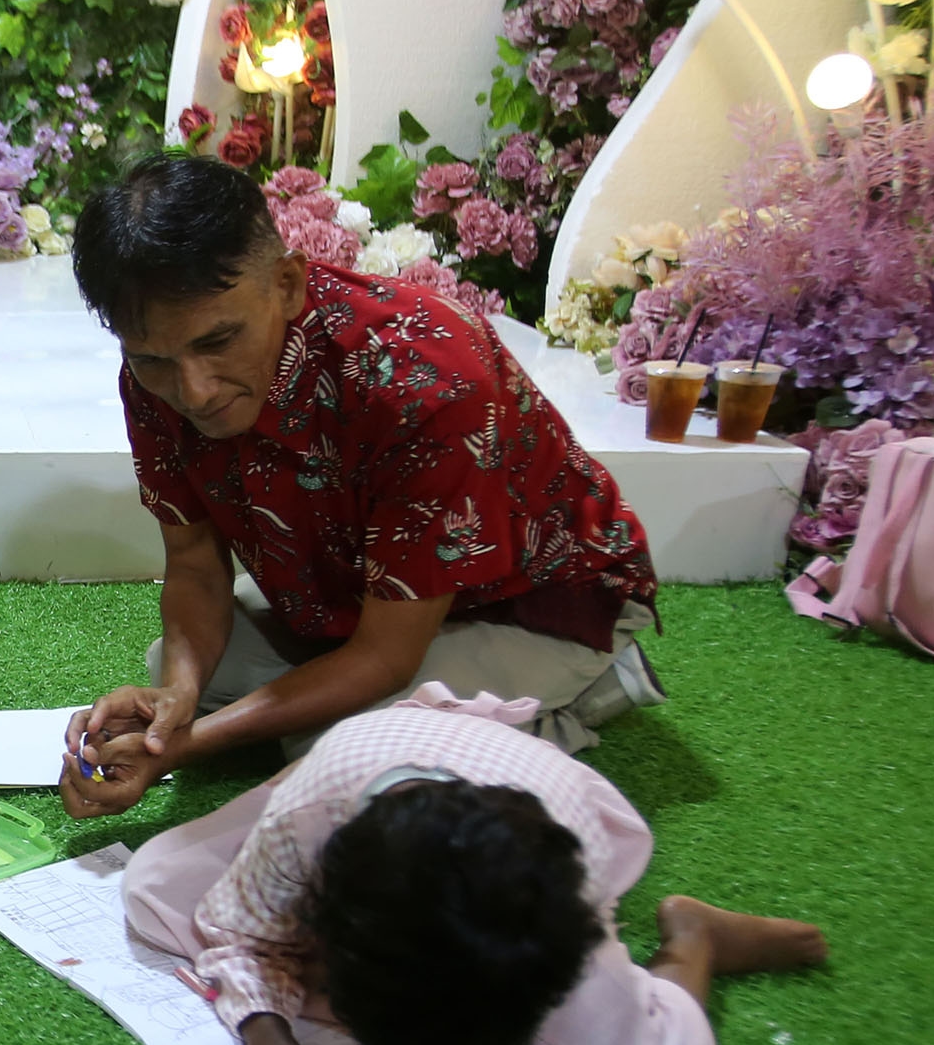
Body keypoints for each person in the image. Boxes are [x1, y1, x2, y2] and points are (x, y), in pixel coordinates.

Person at [60, 154, 666, 822]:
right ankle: (423, 717)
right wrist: (175, 697)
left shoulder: (425, 380)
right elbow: (197, 569)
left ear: (287, 284)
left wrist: (187, 742)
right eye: (152, 359)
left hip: (534, 604)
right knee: (183, 666)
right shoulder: (155, 381)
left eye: (220, 341)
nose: (193, 390)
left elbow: (384, 656)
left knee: (342, 753)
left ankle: (581, 696)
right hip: (360, 598)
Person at [120, 684, 826, 1045]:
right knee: (154, 886)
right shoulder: (311, 821)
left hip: (518, 838)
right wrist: (267, 1035)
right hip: (356, 773)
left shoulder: (550, 899)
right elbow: (245, 931)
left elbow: (497, 1004)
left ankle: (693, 938)